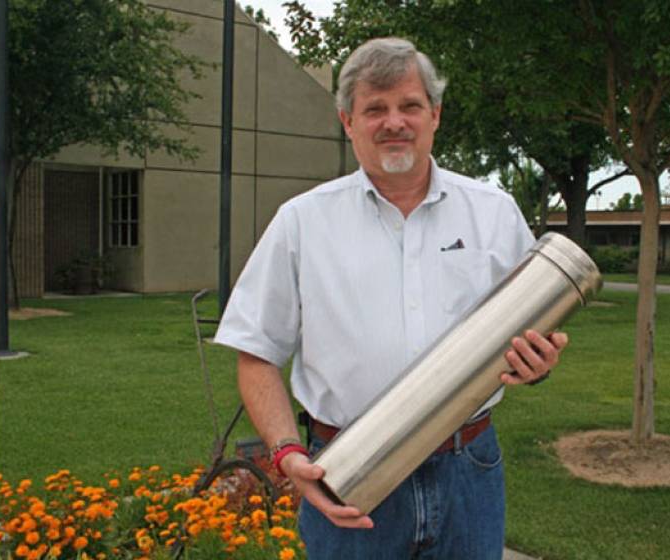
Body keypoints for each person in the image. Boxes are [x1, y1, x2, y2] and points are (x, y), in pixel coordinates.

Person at [215, 37, 568, 559]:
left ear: (435, 115)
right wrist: (288, 453)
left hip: (467, 470)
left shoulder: (493, 212)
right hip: (347, 472)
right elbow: (256, 353)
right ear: (347, 122)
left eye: (409, 105)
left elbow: (532, 331)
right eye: (374, 109)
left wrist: (538, 363)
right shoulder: (302, 222)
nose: (394, 122)